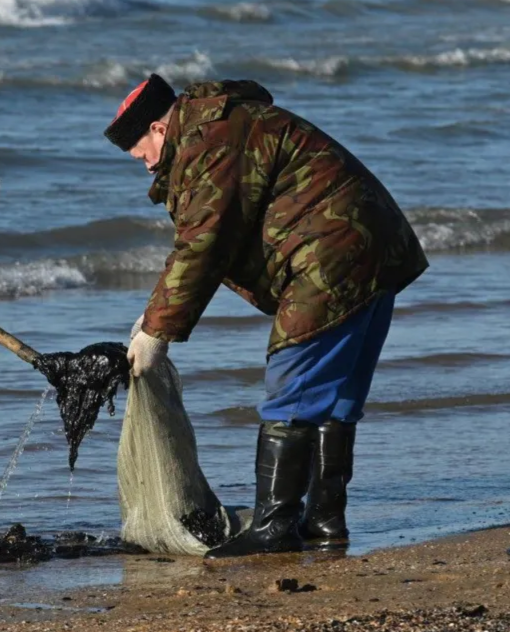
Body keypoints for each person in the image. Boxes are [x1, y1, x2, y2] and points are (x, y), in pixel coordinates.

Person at [104, 74, 428, 557]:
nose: (146, 165)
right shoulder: (226, 123)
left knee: (291, 388)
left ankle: (275, 526)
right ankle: (324, 522)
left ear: (158, 127)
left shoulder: (208, 141)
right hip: (373, 247)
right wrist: (153, 318)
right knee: (335, 398)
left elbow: (203, 244)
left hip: (329, 256)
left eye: (142, 153)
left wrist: (156, 333)